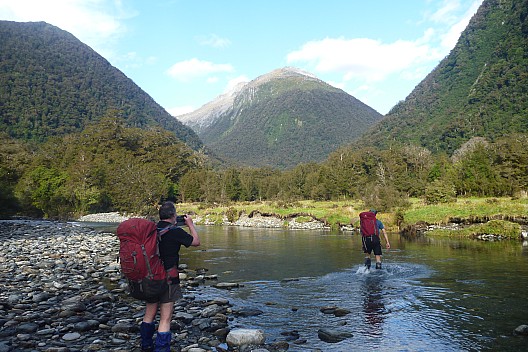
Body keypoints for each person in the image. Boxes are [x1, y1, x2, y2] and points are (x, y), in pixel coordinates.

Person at [140, 201, 200, 352]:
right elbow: (196, 242)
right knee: (165, 318)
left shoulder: (151, 230)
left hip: (149, 276)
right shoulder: (175, 231)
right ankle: (161, 349)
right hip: (168, 278)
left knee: (149, 313)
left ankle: (146, 345)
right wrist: (190, 224)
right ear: (174, 215)